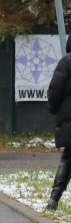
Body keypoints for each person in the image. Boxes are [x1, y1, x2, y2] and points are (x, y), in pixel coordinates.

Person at [46, 37, 71, 210]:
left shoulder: (66, 62)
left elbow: (55, 90)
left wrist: (54, 109)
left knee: (68, 159)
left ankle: (54, 199)